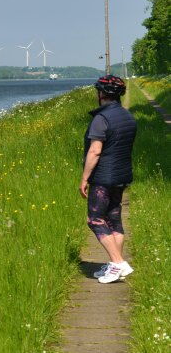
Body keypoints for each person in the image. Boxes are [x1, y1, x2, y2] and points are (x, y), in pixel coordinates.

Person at [80, 75, 137, 283]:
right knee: (114, 220)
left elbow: (95, 151)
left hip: (103, 177)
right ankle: (115, 264)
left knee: (95, 219)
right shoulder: (127, 116)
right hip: (122, 176)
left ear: (102, 93)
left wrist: (85, 178)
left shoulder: (100, 119)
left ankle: (118, 263)